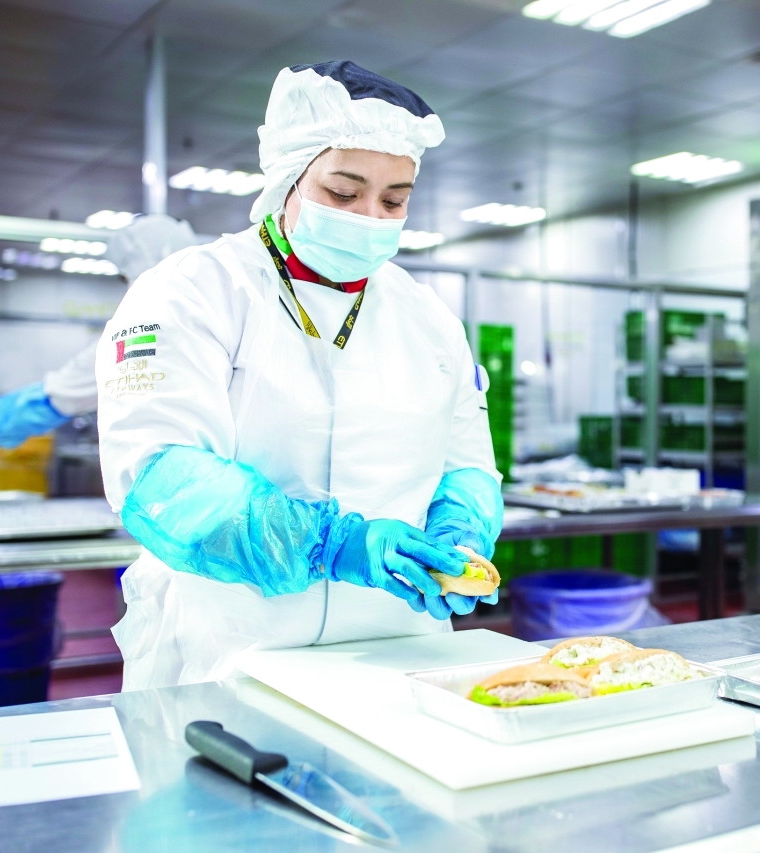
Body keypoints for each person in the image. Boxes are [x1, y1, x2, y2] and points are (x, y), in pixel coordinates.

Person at [96, 60, 502, 690]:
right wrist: (332, 545)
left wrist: (460, 536)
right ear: (289, 176)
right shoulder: (193, 291)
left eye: (394, 200)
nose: (370, 216)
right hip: (229, 650)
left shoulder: (427, 317)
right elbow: (160, 478)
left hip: (402, 652)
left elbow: (468, 466)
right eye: (343, 192)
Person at [0, 214, 196, 450]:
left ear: (137, 271)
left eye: (123, 277)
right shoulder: (213, 308)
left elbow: (61, 395)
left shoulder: (145, 329)